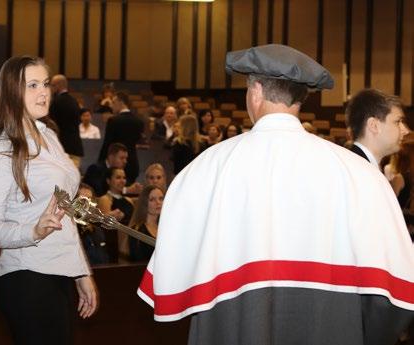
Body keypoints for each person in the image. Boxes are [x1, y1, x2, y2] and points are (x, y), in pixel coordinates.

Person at [138, 44, 414, 345]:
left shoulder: (203, 170)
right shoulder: (360, 175)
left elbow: (167, 292)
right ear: (301, 97)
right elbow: (398, 297)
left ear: (255, 91)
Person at [0, 55, 97, 344]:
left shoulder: (50, 136)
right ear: (11, 91)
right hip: (26, 276)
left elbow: (64, 216)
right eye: (32, 85)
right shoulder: (0, 150)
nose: (43, 92)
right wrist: (33, 231)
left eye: (45, 84)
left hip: (58, 274)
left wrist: (81, 273)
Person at [346, 88, 410, 168]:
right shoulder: (356, 168)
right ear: (374, 126)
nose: (406, 131)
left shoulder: (358, 163)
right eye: (397, 122)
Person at [98, 91, 144, 185]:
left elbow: (107, 144)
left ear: (121, 102)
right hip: (132, 164)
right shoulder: (138, 122)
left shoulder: (113, 121)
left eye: (114, 103)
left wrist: (100, 162)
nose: (112, 106)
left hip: (116, 166)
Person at [97, 167, 135, 261]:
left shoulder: (129, 200)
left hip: (130, 241)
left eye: (124, 178)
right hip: (114, 245)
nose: (122, 181)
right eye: (118, 177)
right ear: (108, 181)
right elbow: (105, 228)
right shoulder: (105, 199)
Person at [49, 74, 84, 168]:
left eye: (52, 85)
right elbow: (79, 121)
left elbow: (51, 126)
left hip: (61, 148)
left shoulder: (55, 102)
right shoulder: (74, 101)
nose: (51, 89)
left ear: (59, 86)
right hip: (75, 147)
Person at [128, 185, 164, 262]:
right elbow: (137, 262)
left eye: (161, 199)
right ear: (144, 203)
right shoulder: (136, 230)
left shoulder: (167, 227)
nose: (158, 202)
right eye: (152, 199)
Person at [77, 183, 109, 265]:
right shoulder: (71, 230)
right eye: (83, 200)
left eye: (90, 199)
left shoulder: (98, 230)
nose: (88, 204)